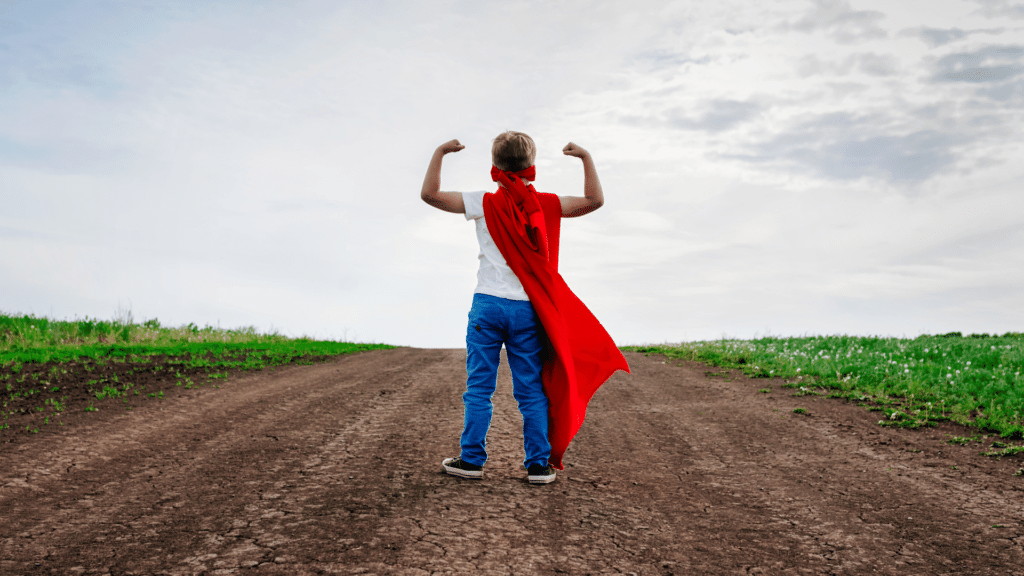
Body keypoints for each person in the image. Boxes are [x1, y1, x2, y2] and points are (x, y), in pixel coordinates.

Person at [420, 131, 629, 485]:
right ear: (531, 166)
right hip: (527, 310)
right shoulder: (547, 204)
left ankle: (471, 460)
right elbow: (595, 200)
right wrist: (585, 157)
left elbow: (430, 195)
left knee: (479, 388)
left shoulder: (481, 202)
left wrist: (440, 152)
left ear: (494, 166)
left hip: (487, 305)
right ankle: (537, 464)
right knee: (531, 390)